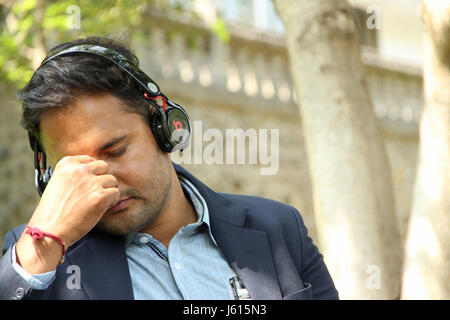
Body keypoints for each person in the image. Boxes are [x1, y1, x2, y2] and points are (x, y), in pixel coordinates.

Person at [0, 36, 338, 300]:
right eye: (72, 169)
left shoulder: (279, 228)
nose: (100, 183)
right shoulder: (38, 257)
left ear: (164, 127)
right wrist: (41, 245)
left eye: (115, 150)